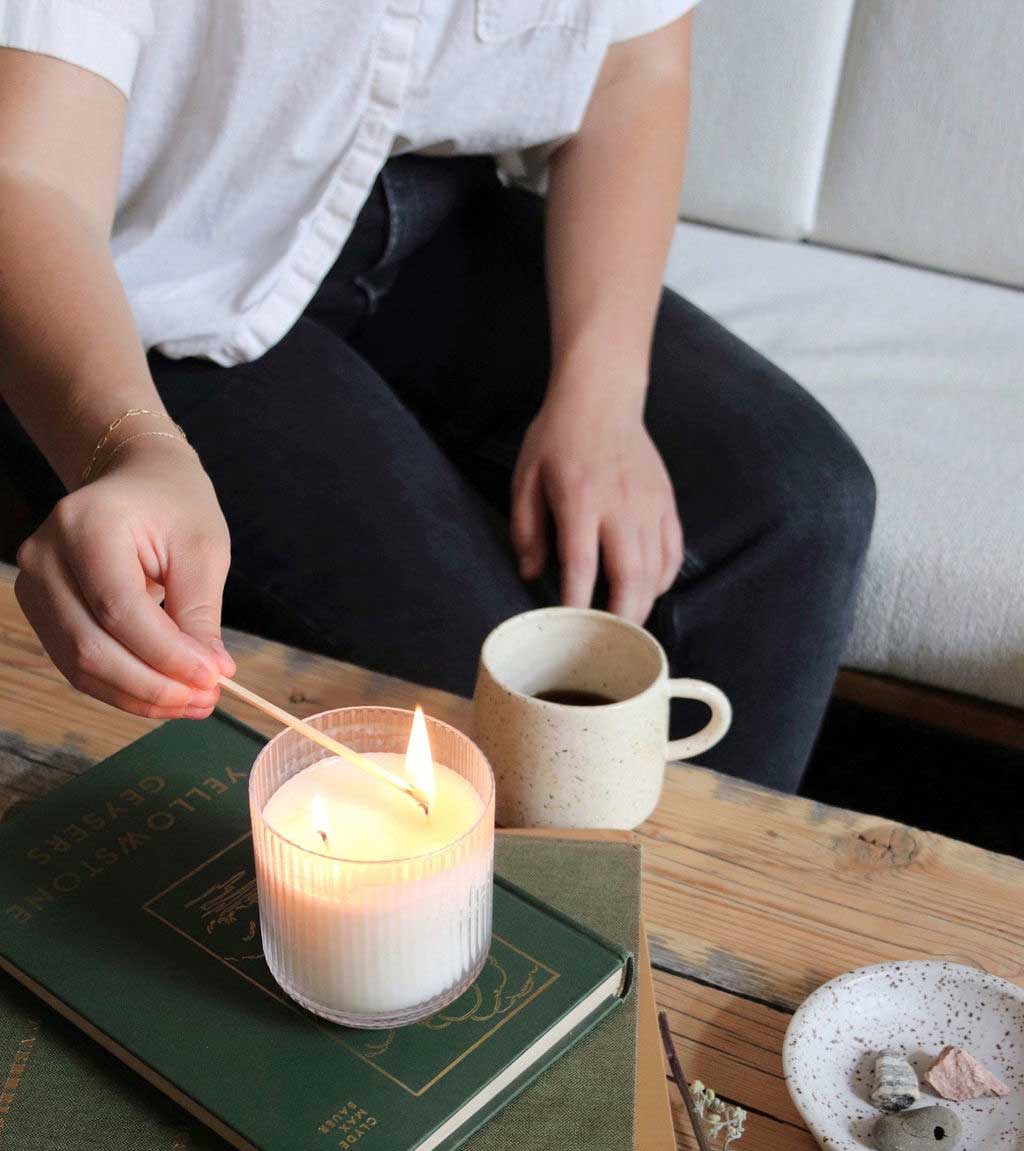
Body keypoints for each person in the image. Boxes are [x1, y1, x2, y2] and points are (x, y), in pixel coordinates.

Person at [0, 1, 875, 793]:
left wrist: (601, 396)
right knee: (484, 692)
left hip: (424, 214)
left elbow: (634, 66)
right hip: (144, 280)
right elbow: (26, 178)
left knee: (801, 507)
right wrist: (131, 446)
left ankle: (691, 919)